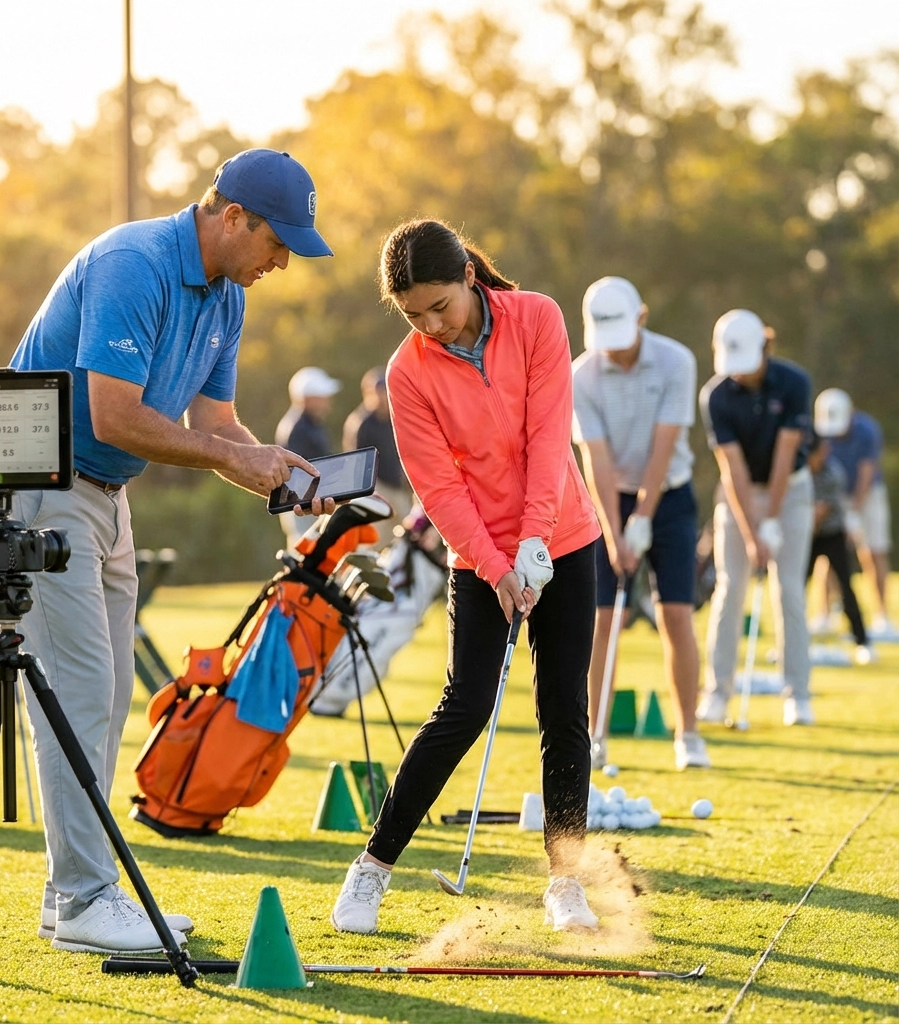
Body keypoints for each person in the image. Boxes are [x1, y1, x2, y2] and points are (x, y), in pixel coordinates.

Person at [0, 148, 334, 955]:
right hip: (43, 481)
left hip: (107, 492)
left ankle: (71, 894)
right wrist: (234, 458)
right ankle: (86, 899)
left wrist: (281, 475)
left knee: (107, 697)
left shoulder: (227, 297)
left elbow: (216, 426)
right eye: (277, 242)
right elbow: (115, 414)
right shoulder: (134, 263)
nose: (282, 263)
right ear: (233, 217)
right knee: (79, 691)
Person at [330, 219, 601, 935]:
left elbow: (549, 438)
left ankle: (566, 882)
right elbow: (439, 488)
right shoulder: (407, 372)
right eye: (412, 315)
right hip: (478, 552)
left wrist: (535, 542)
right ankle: (372, 867)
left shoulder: (537, 318)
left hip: (565, 540)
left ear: (469, 280)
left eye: (439, 307)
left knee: (563, 710)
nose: (431, 326)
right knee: (465, 706)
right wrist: (497, 567)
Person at [571, 276, 709, 772]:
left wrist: (644, 519)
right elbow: (597, 459)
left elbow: (664, 447)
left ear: (642, 318)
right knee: (604, 619)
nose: (613, 349)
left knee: (676, 614)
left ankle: (688, 733)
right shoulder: (580, 374)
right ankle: (594, 736)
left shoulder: (676, 361)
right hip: (609, 499)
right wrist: (614, 533)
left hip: (670, 496)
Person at [697, 310, 815, 727]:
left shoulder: (795, 382)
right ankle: (717, 693)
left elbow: (785, 456)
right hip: (739, 494)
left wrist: (772, 520)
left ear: (765, 347)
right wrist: (752, 533)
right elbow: (733, 470)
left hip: (791, 490)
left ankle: (797, 695)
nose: (740, 374)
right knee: (730, 589)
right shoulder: (715, 395)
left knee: (790, 591)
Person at [812, 389, 894, 640]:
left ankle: (882, 617)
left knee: (873, 551)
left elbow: (866, 474)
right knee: (827, 552)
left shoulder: (867, 430)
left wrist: (854, 512)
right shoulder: (820, 432)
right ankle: (825, 615)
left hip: (868, 494)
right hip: (833, 493)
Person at [805, 434, 874, 663]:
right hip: (806, 537)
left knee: (845, 586)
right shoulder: (799, 472)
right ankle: (790, 644)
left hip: (832, 534)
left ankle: (862, 641)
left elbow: (819, 515)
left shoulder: (833, 473)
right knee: (796, 588)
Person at [342, 366, 411, 540]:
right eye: (379, 392)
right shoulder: (361, 423)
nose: (383, 397)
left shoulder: (395, 417)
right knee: (378, 537)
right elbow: (356, 462)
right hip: (376, 487)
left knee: (407, 533)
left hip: (399, 486)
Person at [275, 365, 340, 546]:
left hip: (312, 500)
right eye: (323, 396)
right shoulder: (298, 428)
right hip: (301, 502)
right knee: (303, 548)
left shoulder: (312, 424)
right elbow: (299, 476)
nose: (328, 401)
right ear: (308, 399)